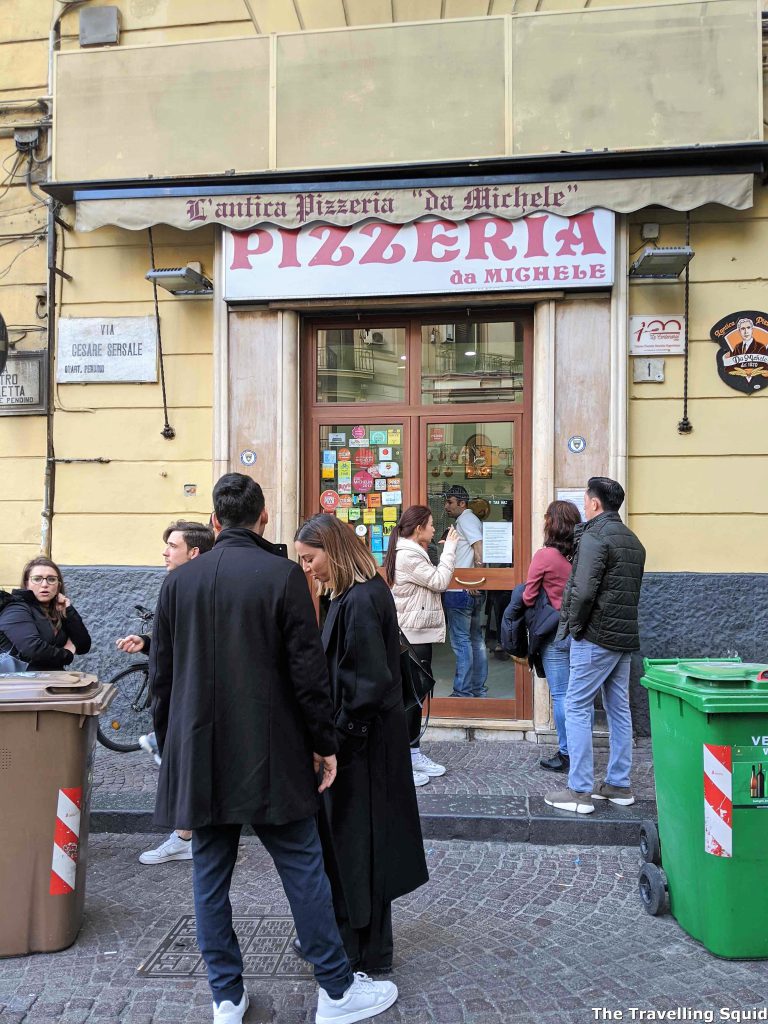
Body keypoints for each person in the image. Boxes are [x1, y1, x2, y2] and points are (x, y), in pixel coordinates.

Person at [150, 474, 397, 1024]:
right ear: (263, 518)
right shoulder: (284, 576)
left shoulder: (178, 583)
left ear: (214, 522)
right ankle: (334, 991)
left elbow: (161, 677)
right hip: (269, 756)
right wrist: (323, 744)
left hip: (200, 754)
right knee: (303, 868)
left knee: (209, 876)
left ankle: (226, 997)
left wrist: (170, 750)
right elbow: (307, 676)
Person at [295, 514, 429, 977]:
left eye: (311, 559)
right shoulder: (354, 595)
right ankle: (358, 943)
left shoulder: (361, 598)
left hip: (363, 752)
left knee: (358, 850)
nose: (308, 569)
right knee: (354, 850)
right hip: (362, 746)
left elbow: (367, 683)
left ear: (333, 550)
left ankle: (362, 951)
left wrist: (337, 744)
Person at [115, 520, 215, 867]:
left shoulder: (184, 585)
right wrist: (147, 643)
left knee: (188, 769)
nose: (165, 551)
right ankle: (187, 835)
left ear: (194, 552)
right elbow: (178, 643)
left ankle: (187, 837)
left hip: (192, 697)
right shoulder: (187, 584)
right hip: (193, 695)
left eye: (172, 545)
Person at [545, 477, 646, 816]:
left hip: (595, 635)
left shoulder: (593, 536)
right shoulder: (633, 541)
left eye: (586, 499)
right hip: (622, 637)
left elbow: (584, 591)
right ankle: (618, 784)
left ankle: (579, 791)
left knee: (575, 705)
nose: (585, 504)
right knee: (619, 708)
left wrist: (574, 627)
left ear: (595, 504)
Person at [383, 504, 459, 787]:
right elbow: (440, 581)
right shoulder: (408, 556)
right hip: (412, 635)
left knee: (414, 699)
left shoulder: (413, 552)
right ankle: (405, 760)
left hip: (418, 634)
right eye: (429, 525)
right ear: (418, 529)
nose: (433, 530)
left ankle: (413, 753)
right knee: (410, 700)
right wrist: (450, 549)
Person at [522, 500, 582, 774]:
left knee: (561, 695)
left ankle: (567, 753)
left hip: (555, 634)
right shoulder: (583, 553)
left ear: (551, 523)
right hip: (580, 632)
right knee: (579, 697)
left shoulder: (545, 556)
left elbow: (528, 595)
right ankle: (582, 751)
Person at [0, 557, 91, 670]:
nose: (44, 584)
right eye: (37, 579)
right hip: (22, 683)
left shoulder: (56, 609)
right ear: (26, 583)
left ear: (58, 585)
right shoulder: (15, 609)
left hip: (51, 681)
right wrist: (67, 654)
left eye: (51, 579)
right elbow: (33, 649)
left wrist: (68, 610)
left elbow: (83, 645)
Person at [443, 484, 488, 697]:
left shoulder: (467, 519)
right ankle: (476, 688)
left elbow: (479, 548)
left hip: (461, 590)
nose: (446, 507)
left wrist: (476, 579)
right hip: (468, 589)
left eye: (450, 502)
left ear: (462, 503)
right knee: (475, 641)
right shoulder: (468, 520)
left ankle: (463, 692)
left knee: (462, 642)